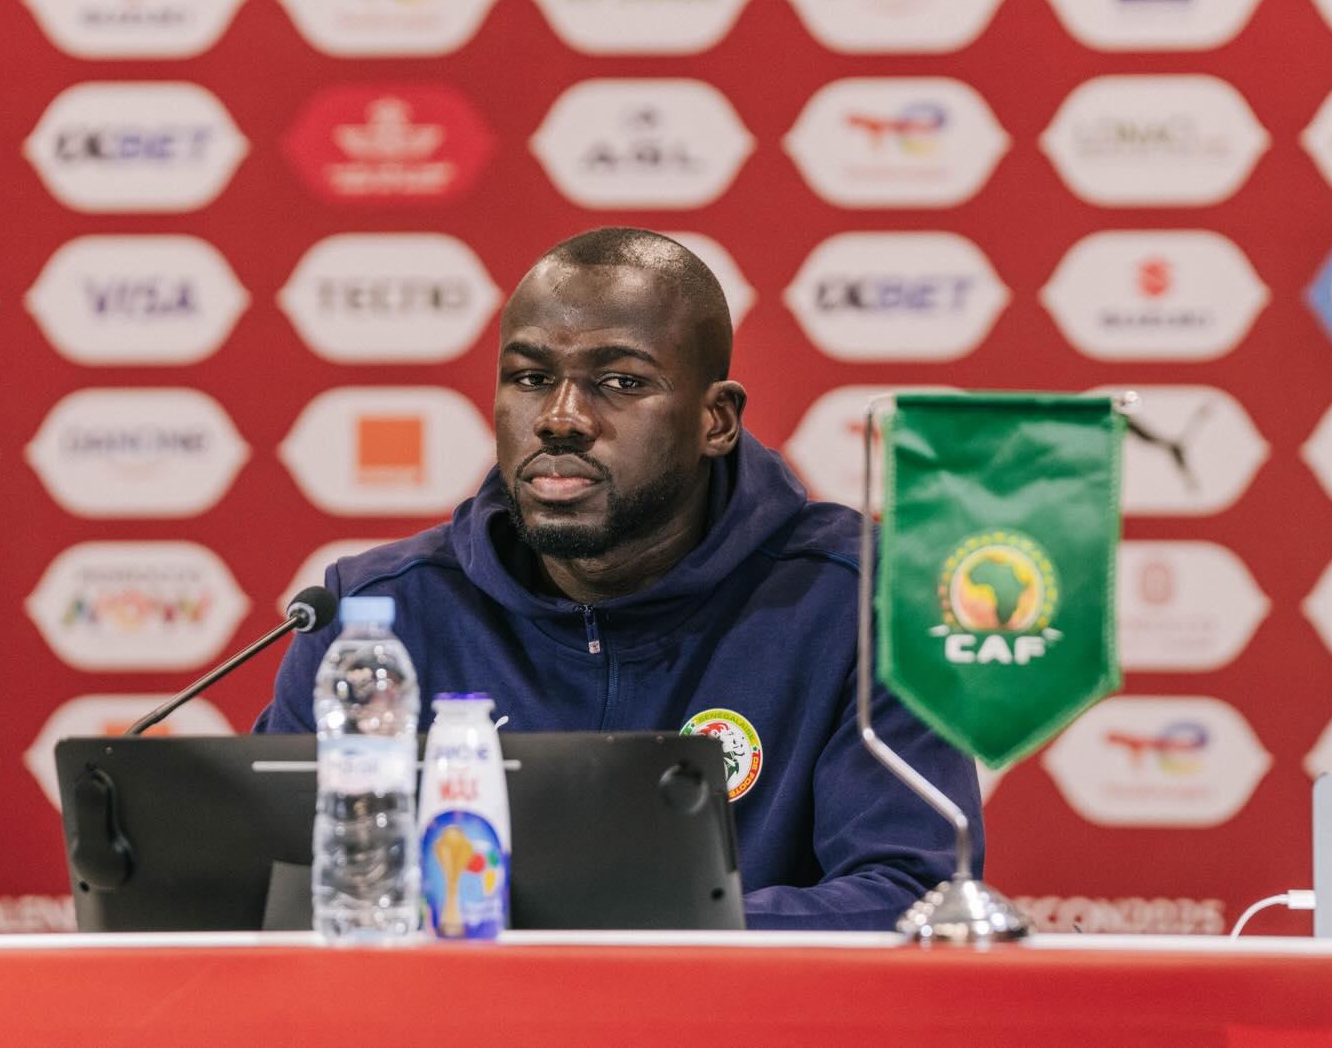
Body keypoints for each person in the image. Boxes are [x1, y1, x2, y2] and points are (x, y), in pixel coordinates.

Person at [255, 227, 984, 930]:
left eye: (619, 381)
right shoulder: (377, 611)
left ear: (717, 420)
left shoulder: (861, 600)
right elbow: (269, 886)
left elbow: (912, 895)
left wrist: (613, 930)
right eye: (531, 378)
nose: (561, 418)